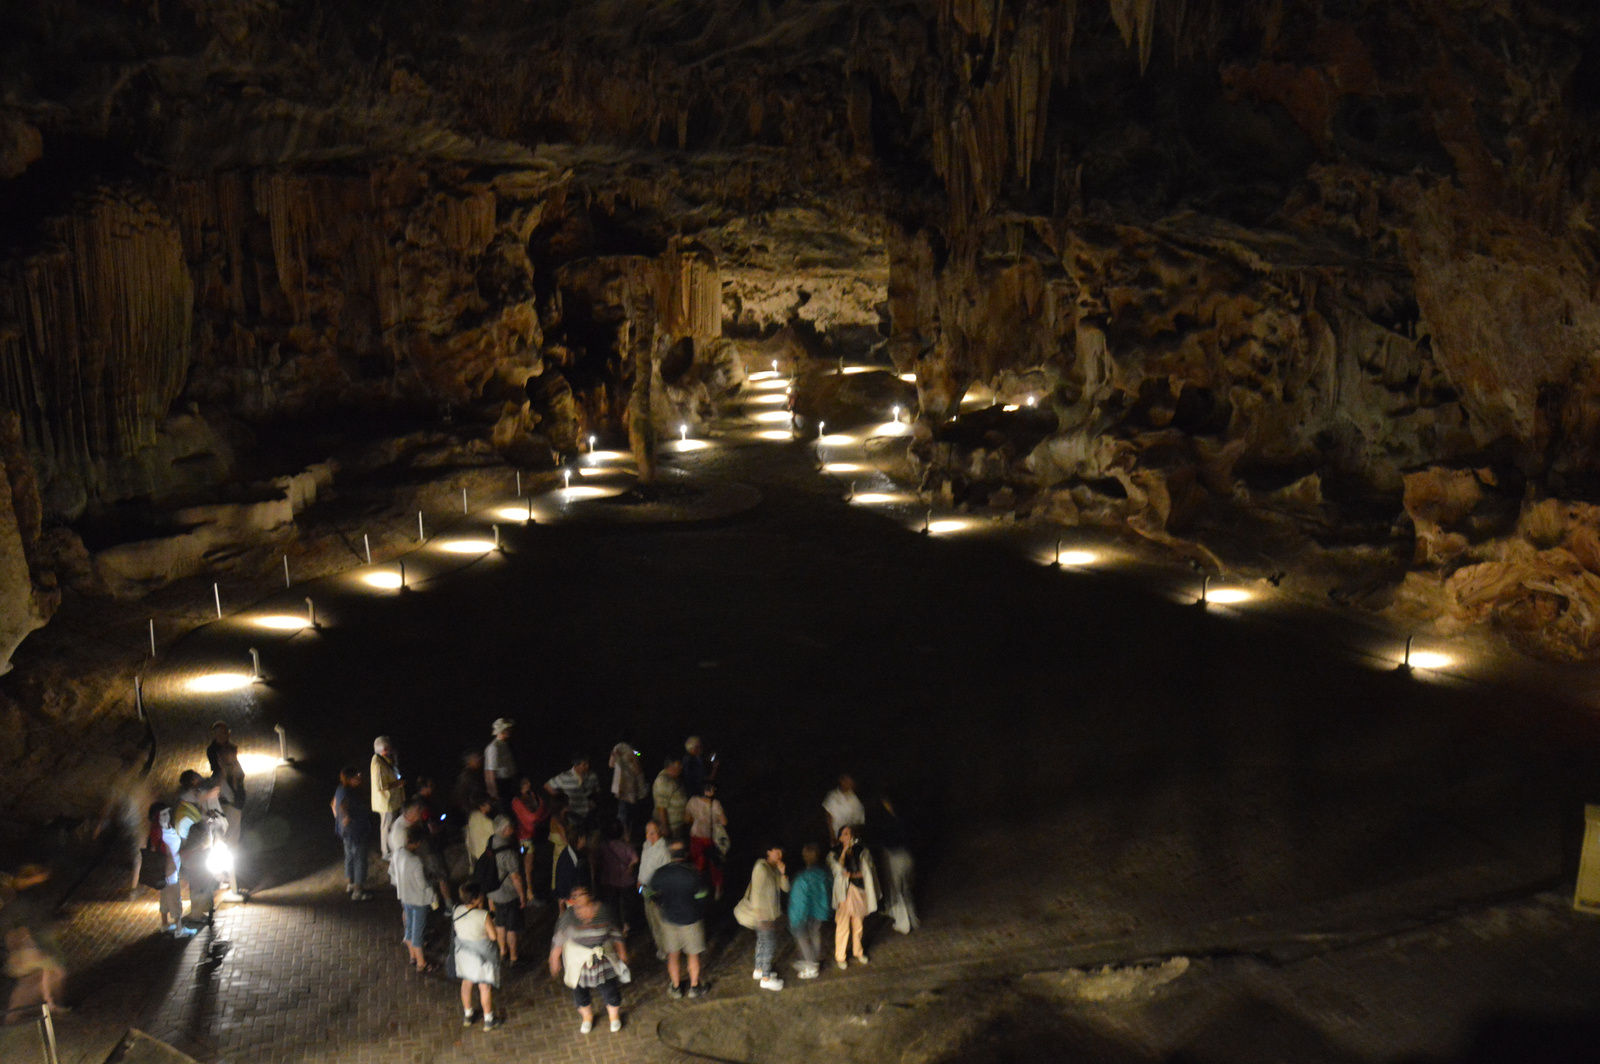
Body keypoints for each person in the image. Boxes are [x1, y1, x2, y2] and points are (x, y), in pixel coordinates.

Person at [549, 885, 629, 1034]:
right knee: (580, 991)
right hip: (578, 960)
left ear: (590, 895)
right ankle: (587, 1018)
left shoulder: (604, 911)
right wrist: (554, 957)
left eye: (581, 894)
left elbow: (616, 933)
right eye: (574, 896)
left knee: (609, 988)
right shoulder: (568, 916)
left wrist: (622, 952)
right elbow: (559, 938)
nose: (578, 898)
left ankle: (614, 1017)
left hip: (602, 957)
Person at [0, 864, 68, 1014]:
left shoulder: (24, 899)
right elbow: (12, 925)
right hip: (26, 943)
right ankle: (14, 1014)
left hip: (30, 940)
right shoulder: (20, 901)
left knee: (44, 974)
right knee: (44, 975)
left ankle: (47, 1005)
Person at [647, 841, 708, 998]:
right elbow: (702, 897)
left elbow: (647, 892)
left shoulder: (660, 873)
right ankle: (695, 987)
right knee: (693, 955)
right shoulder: (693, 873)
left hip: (668, 919)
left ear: (669, 855)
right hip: (691, 920)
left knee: (672, 956)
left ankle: (675, 987)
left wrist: (658, 901)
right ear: (686, 854)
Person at [452, 882, 502, 1031]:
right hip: (481, 957)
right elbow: (493, 936)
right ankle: (488, 1019)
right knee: (484, 986)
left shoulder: (456, 910)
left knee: (466, 983)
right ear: (476, 898)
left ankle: (468, 1014)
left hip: (463, 954)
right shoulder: (483, 915)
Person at [174, 772, 222, 927]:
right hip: (195, 857)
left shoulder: (189, 808)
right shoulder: (185, 815)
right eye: (196, 793)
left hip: (199, 855)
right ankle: (196, 916)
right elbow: (188, 841)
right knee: (197, 886)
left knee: (201, 885)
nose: (199, 795)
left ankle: (201, 914)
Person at [828, 824, 878, 969]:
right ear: (840, 837)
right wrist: (844, 851)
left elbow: (867, 871)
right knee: (843, 926)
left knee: (858, 925)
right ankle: (840, 956)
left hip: (858, 891)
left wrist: (853, 875)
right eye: (845, 833)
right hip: (844, 893)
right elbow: (838, 868)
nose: (848, 835)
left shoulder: (861, 850)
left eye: (850, 833)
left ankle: (858, 951)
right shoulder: (834, 853)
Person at [206, 722, 247, 889]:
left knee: (230, 839)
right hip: (227, 806)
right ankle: (224, 875)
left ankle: (229, 875)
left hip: (233, 804)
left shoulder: (231, 769)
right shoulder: (219, 778)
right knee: (225, 840)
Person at [484, 815, 529, 966]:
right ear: (505, 830)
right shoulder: (508, 853)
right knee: (512, 927)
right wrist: (522, 895)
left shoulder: (491, 841)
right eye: (510, 827)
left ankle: (503, 951)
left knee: (500, 924)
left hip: (494, 891)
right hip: (508, 895)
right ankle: (514, 957)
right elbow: (515, 877)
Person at [745, 844, 789, 990]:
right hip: (764, 914)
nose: (779, 855)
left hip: (769, 914)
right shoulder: (761, 868)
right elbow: (756, 891)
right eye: (776, 851)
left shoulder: (774, 869)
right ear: (768, 851)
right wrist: (759, 913)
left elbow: (785, 888)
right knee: (769, 945)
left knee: (762, 943)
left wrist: (783, 873)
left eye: (781, 852)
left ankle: (759, 970)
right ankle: (766, 978)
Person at [393, 825, 437, 972]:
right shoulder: (415, 861)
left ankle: (412, 956)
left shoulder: (398, 853)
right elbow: (422, 884)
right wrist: (431, 885)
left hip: (405, 897)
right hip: (418, 900)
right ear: (417, 842)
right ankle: (421, 963)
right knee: (418, 931)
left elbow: (393, 873)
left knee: (410, 926)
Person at [146, 803, 193, 937]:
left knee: (165, 897)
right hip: (169, 871)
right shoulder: (158, 832)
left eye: (168, 813)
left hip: (171, 869)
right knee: (175, 898)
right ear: (157, 817)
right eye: (164, 814)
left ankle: (164, 924)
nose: (167, 816)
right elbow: (162, 851)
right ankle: (179, 929)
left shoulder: (168, 828)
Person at [874, 797, 918, 934]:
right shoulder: (903, 818)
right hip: (907, 855)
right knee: (905, 889)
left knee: (897, 890)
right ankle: (913, 919)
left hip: (895, 856)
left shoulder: (887, 822)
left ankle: (903, 923)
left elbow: (884, 842)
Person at [787, 843, 830, 979]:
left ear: (805, 857)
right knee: (815, 933)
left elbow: (800, 901)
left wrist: (794, 920)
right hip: (821, 911)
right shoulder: (824, 873)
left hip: (805, 913)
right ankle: (813, 960)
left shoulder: (803, 878)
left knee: (802, 938)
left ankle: (812, 966)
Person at [331, 766, 372, 901]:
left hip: (347, 833)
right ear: (349, 779)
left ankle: (350, 884)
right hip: (355, 832)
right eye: (356, 776)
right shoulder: (348, 793)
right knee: (360, 860)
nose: (359, 778)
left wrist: (339, 819)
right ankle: (358, 892)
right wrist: (345, 818)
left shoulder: (340, 789)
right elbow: (341, 806)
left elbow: (333, 804)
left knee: (349, 857)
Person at [594, 819, 639, 933]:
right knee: (626, 905)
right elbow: (635, 858)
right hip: (626, 881)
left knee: (612, 904)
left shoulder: (603, 846)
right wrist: (631, 867)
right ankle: (626, 925)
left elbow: (597, 861)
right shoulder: (626, 846)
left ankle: (613, 925)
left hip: (609, 880)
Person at [510, 777, 551, 904]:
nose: (529, 784)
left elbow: (544, 811)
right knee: (528, 866)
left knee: (533, 865)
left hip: (534, 834)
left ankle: (532, 891)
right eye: (525, 783)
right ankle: (529, 894)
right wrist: (540, 813)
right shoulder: (517, 801)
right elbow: (532, 817)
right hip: (524, 837)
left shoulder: (531, 796)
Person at [684, 781, 728, 899]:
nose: (714, 790)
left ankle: (697, 889)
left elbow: (687, 819)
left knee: (698, 864)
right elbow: (724, 822)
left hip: (696, 837)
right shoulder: (716, 804)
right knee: (716, 864)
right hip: (711, 838)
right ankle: (718, 891)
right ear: (707, 791)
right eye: (712, 788)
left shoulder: (692, 801)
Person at [636, 819, 670, 960]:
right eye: (648, 833)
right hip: (645, 891)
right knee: (652, 922)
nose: (650, 836)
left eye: (653, 833)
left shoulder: (664, 850)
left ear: (659, 832)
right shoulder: (646, 846)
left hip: (657, 893)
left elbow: (666, 874)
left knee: (661, 923)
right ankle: (661, 948)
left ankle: (668, 950)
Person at [546, 754, 601, 834]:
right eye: (584, 764)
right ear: (576, 766)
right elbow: (548, 786)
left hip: (588, 815)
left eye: (588, 763)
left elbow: (597, 790)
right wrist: (561, 800)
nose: (588, 766)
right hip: (572, 815)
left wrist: (593, 801)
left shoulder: (592, 776)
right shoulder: (564, 777)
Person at [371, 737, 404, 861]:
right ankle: (387, 853)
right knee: (386, 827)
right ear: (384, 749)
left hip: (391, 801)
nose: (391, 749)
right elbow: (381, 786)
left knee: (390, 826)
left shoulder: (382, 759)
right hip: (385, 803)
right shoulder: (378, 765)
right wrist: (398, 784)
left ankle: (392, 847)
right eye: (389, 748)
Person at [608, 742, 646, 834]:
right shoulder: (617, 750)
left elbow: (640, 754)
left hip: (632, 787)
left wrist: (632, 754)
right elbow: (611, 764)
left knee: (631, 811)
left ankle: (630, 832)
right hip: (622, 786)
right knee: (623, 811)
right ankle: (625, 833)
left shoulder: (632, 751)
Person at [553, 829, 593, 910]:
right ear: (579, 839)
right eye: (584, 838)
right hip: (573, 900)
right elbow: (562, 883)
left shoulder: (579, 853)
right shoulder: (567, 859)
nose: (586, 841)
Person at [652, 758, 689, 838]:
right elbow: (661, 806)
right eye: (678, 766)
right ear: (670, 766)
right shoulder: (663, 781)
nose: (681, 768)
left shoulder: (674, 778)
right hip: (671, 828)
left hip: (678, 826)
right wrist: (665, 827)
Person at [823, 773, 865, 842]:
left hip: (849, 837)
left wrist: (851, 835)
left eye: (851, 781)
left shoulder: (856, 801)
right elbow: (828, 815)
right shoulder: (832, 795)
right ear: (841, 780)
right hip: (834, 835)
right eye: (846, 780)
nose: (848, 783)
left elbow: (858, 822)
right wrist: (832, 834)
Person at [484, 719, 517, 804]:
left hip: (509, 781)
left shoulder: (504, 744)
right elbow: (490, 772)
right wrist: (494, 792)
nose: (510, 731)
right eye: (508, 729)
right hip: (502, 784)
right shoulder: (494, 747)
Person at [453, 749, 487, 823]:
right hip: (474, 811)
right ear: (469, 761)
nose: (479, 760)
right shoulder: (467, 777)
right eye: (476, 758)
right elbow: (465, 796)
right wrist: (478, 807)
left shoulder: (474, 774)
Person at [465, 794, 496, 864]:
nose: (490, 806)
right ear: (481, 805)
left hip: (476, 852)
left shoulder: (472, 817)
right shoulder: (486, 821)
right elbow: (495, 836)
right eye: (489, 804)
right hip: (487, 853)